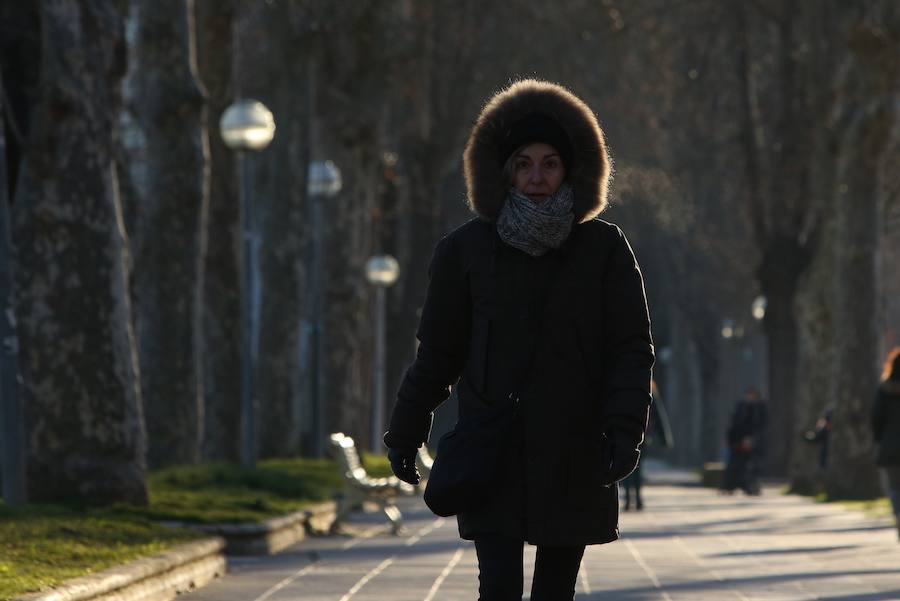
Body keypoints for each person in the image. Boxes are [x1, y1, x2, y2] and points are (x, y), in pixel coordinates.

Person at [382, 79, 654, 601]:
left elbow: (630, 349)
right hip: (493, 448)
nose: (536, 177)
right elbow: (439, 353)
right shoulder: (465, 251)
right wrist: (405, 428)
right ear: (504, 170)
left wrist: (624, 430)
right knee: (499, 588)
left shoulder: (604, 249)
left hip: (575, 448)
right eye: (524, 163)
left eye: (550, 163)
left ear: (571, 169)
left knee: (556, 592)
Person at [622, 380, 673, 511]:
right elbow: (657, 414)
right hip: (642, 434)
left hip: (626, 432)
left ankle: (629, 499)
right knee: (637, 467)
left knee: (627, 464)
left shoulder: (623, 386)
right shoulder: (648, 387)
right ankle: (637, 499)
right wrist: (664, 438)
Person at [871, 346, 900, 541]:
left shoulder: (884, 389)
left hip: (891, 448)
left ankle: (898, 514)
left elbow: (876, 417)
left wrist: (879, 439)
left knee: (895, 487)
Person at [721, 387, 767, 496]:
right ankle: (730, 486)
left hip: (753, 440)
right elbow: (734, 425)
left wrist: (752, 439)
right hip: (737, 440)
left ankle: (751, 487)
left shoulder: (759, 408)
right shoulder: (740, 407)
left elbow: (760, 426)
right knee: (734, 465)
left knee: (751, 466)